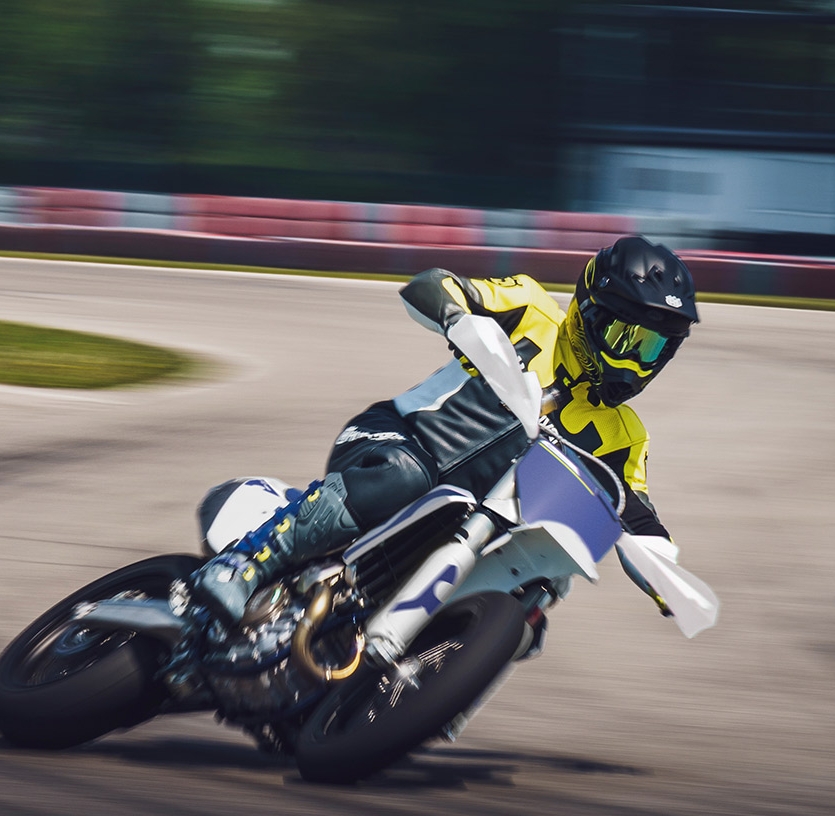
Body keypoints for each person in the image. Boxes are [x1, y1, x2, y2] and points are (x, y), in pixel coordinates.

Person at [192, 235, 699, 626]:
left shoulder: (624, 436)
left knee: (532, 601)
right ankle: (245, 564)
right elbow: (436, 284)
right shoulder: (531, 309)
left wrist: (669, 579)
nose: (634, 360)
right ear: (590, 311)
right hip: (393, 442)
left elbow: (635, 512)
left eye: (651, 347)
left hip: (472, 528)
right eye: (625, 336)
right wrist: (458, 318)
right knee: (406, 475)